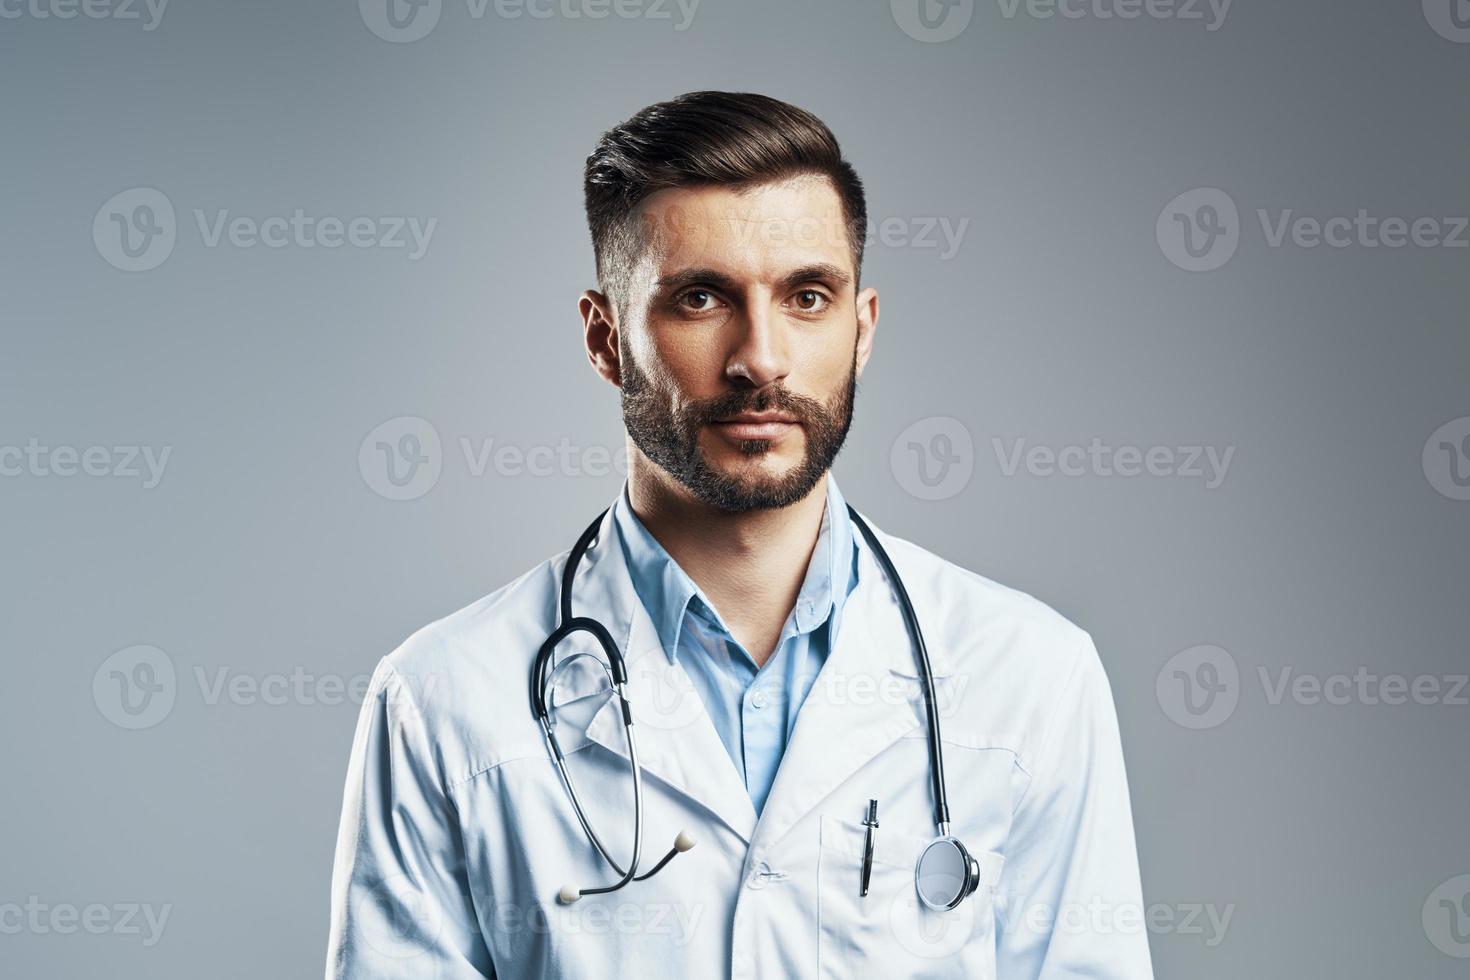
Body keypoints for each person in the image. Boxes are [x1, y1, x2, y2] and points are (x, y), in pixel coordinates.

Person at [326, 91, 1153, 979]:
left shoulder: (1031, 677)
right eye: (700, 298)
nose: (760, 357)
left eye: (807, 296)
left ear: (861, 330)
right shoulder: (443, 703)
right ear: (606, 339)